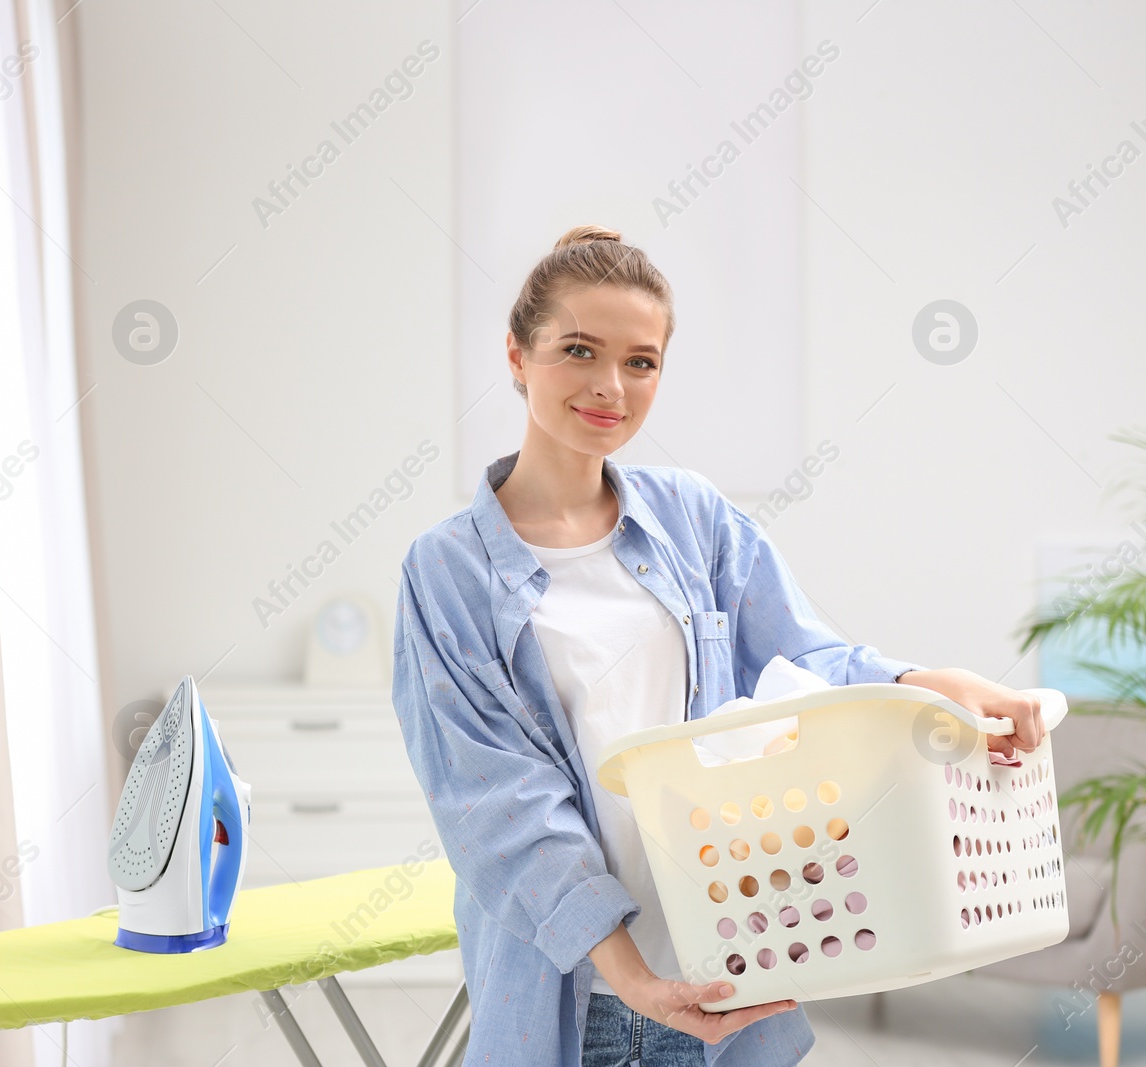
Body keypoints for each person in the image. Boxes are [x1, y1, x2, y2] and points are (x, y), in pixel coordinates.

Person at [389, 225, 1048, 1067]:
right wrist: (629, 974)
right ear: (517, 355)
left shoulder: (690, 517)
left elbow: (803, 664)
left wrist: (926, 681)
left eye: (641, 361)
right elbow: (498, 805)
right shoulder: (448, 568)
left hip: (736, 970)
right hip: (577, 998)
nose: (610, 387)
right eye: (579, 350)